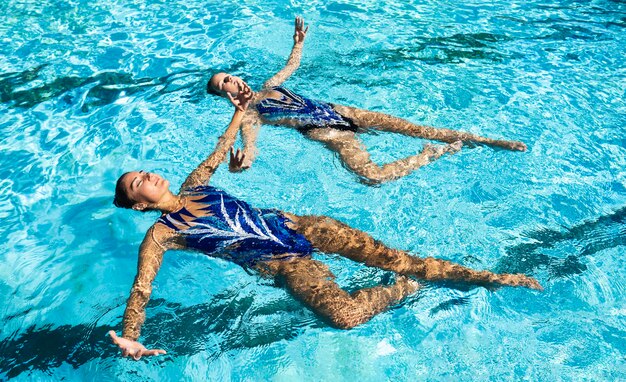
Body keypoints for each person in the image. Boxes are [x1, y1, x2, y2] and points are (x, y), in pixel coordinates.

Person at [108, 86, 541, 360]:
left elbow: (223, 145)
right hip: (285, 266)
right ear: (140, 206)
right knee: (346, 316)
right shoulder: (161, 235)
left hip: (304, 227)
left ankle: (491, 277)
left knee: (400, 257)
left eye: (143, 171)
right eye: (137, 184)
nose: (146, 176)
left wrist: (239, 112)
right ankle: (404, 289)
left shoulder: (196, 183)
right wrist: (132, 334)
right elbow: (141, 289)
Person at [206, 17, 527, 185]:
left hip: (343, 111)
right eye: (224, 84)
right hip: (330, 132)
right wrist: (242, 164)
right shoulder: (250, 115)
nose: (231, 79)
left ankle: (486, 140)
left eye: (229, 75)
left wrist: (299, 44)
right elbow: (250, 148)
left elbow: (292, 66)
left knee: (416, 128)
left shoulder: (269, 84)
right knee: (372, 176)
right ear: (226, 96)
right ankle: (431, 156)